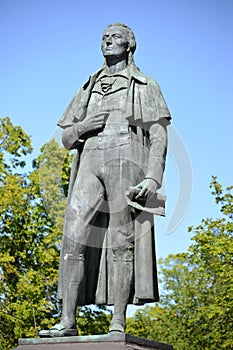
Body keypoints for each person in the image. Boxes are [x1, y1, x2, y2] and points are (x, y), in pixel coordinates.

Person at [39, 22, 171, 337]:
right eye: (104, 37)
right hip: (90, 161)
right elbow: (67, 138)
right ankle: (67, 322)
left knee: (121, 242)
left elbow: (159, 133)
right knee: (72, 239)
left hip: (126, 158)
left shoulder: (145, 84)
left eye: (115, 37)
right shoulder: (90, 84)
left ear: (129, 45)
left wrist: (153, 177)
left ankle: (117, 323)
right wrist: (83, 127)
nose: (108, 41)